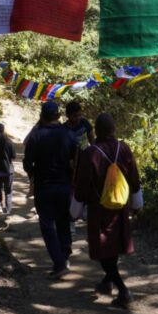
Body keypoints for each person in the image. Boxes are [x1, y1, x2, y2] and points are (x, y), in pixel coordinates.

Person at [73, 113, 143, 308]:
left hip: (99, 209)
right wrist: (137, 204)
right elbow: (135, 179)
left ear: (97, 130)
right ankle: (106, 282)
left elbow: (82, 185)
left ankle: (123, 291)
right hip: (121, 208)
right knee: (113, 247)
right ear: (114, 129)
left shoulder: (91, 153)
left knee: (104, 250)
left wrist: (75, 210)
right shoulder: (125, 148)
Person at [23, 101, 78, 278]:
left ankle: (60, 262)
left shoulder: (36, 135)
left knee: (47, 225)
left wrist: (33, 175)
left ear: (43, 116)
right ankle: (65, 253)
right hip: (64, 187)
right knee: (63, 221)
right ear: (58, 116)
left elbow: (27, 162)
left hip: (44, 187)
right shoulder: (68, 134)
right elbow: (76, 158)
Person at [64, 100, 94, 235]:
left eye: (79, 115)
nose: (78, 118)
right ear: (68, 116)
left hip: (85, 162)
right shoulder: (63, 129)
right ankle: (71, 222)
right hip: (69, 166)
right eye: (75, 116)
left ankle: (85, 213)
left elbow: (92, 139)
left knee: (87, 188)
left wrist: (94, 154)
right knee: (71, 193)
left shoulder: (84, 124)